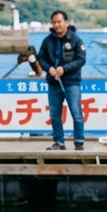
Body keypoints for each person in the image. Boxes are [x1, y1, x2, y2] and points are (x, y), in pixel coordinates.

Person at [35, 10, 87, 151]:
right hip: (54, 82)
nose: (57, 25)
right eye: (54, 22)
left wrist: (65, 68)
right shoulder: (47, 41)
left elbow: (81, 59)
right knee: (55, 114)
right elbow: (41, 58)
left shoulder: (76, 40)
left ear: (66, 23)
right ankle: (59, 142)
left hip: (72, 81)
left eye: (59, 22)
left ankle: (79, 141)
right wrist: (48, 68)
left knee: (76, 113)